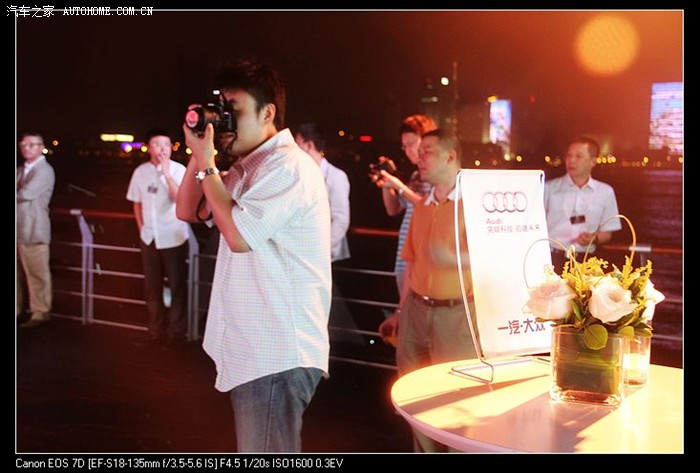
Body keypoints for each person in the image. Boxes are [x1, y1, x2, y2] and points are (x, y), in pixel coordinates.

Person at [176, 59, 331, 453]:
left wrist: (208, 163)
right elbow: (188, 209)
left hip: (276, 354)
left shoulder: (289, 166)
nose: (226, 123)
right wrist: (200, 149)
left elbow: (239, 235)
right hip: (256, 350)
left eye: (234, 112)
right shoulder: (248, 168)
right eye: (221, 112)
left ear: (268, 113)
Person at [378, 129, 478, 452]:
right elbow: (411, 265)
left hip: (457, 314)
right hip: (416, 310)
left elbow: (495, 260)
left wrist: (453, 260)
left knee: (458, 400)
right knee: (413, 397)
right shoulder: (421, 206)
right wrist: (400, 312)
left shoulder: (476, 204)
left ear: (451, 156)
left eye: (427, 152)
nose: (419, 159)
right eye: (418, 153)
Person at [126, 128, 190, 347]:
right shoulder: (140, 172)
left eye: (166, 145)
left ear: (171, 147)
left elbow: (180, 199)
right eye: (157, 145)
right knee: (152, 287)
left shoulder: (179, 169)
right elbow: (136, 203)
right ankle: (155, 331)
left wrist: (166, 174)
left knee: (177, 286)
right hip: (149, 238)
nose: (162, 149)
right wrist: (141, 227)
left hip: (173, 236)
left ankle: (176, 333)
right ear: (148, 148)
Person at [373, 114, 436, 296]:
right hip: (404, 254)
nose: (407, 151)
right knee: (405, 307)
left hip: (423, 257)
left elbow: (429, 207)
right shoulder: (416, 176)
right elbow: (393, 210)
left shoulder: (437, 175)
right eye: (404, 146)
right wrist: (387, 184)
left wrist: (399, 186)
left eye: (411, 144)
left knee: (414, 308)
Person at [544, 137, 622, 271]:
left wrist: (593, 238)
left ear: (593, 161)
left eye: (578, 156)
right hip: (551, 259)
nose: (571, 160)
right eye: (569, 156)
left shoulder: (605, 192)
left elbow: (607, 232)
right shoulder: (549, 188)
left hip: (586, 261)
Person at [294, 123, 350, 262]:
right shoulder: (300, 174)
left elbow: (341, 219)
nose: (295, 150)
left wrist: (319, 248)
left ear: (309, 145)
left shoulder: (336, 176)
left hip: (326, 256)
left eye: (298, 145)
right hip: (302, 253)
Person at [17, 132, 55, 328]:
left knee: (37, 274)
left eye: (32, 145)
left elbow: (26, 193)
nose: (26, 148)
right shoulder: (21, 170)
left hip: (34, 230)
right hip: (19, 230)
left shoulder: (45, 171)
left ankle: (40, 312)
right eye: (23, 144)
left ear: (41, 147)